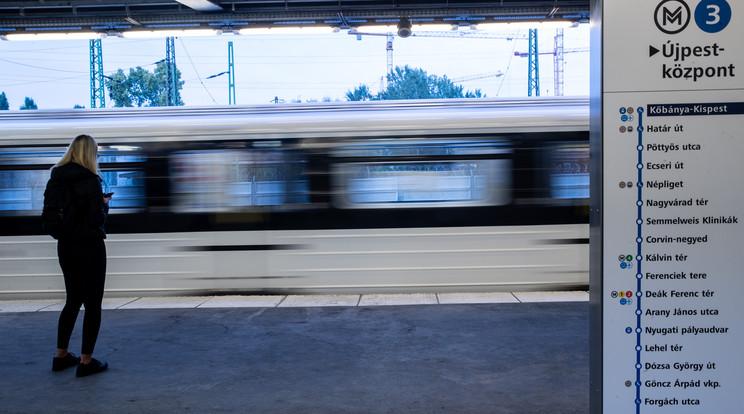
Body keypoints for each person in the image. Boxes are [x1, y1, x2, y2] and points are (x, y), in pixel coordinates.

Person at [49, 134, 112, 377]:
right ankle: (86, 362)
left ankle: (61, 356)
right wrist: (104, 205)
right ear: (89, 154)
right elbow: (96, 219)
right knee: (93, 303)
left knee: (72, 300)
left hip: (65, 246)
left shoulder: (56, 177)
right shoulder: (91, 179)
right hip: (90, 246)